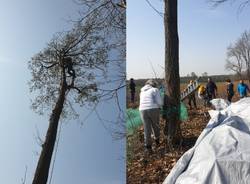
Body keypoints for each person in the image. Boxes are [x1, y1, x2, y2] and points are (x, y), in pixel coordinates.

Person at [139, 79, 163, 153]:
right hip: (153, 109)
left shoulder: (142, 91)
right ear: (154, 85)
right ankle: (157, 141)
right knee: (155, 125)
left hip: (142, 110)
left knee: (147, 128)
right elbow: (160, 102)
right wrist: (160, 106)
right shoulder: (154, 90)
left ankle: (148, 147)